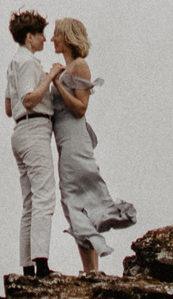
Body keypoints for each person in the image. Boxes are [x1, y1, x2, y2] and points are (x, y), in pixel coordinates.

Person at [47, 16, 137, 274]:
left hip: (75, 143)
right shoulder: (65, 70)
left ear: (68, 37)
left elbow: (80, 108)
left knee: (76, 198)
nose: (52, 39)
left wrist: (55, 83)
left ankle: (91, 269)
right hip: (65, 144)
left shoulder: (79, 66)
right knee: (73, 200)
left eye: (56, 34)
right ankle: (91, 269)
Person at [3, 8, 59, 277]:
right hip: (34, 126)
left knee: (29, 200)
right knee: (44, 195)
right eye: (41, 35)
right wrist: (49, 77)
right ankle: (41, 263)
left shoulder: (14, 63)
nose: (45, 41)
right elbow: (27, 99)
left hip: (20, 130)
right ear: (29, 36)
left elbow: (8, 106)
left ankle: (27, 264)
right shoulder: (27, 63)